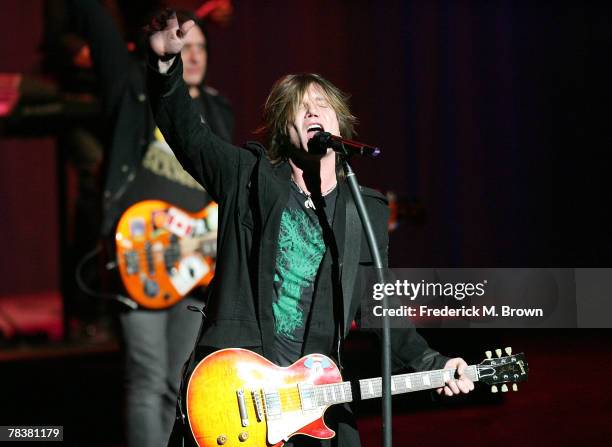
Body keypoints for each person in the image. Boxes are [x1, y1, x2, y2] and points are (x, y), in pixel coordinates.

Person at [146, 12, 473, 447]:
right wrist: (165, 67)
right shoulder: (248, 177)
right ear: (286, 129)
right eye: (301, 107)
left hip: (314, 396)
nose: (313, 111)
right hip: (239, 388)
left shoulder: (365, 209)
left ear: (341, 125)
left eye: (322, 105)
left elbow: (381, 312)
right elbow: (188, 137)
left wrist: (433, 362)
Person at [68, 2, 234, 447]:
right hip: (140, 255)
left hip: (193, 269)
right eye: (187, 46)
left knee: (177, 382)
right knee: (145, 377)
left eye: (202, 48)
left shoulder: (218, 113)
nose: (194, 55)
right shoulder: (135, 92)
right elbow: (101, 33)